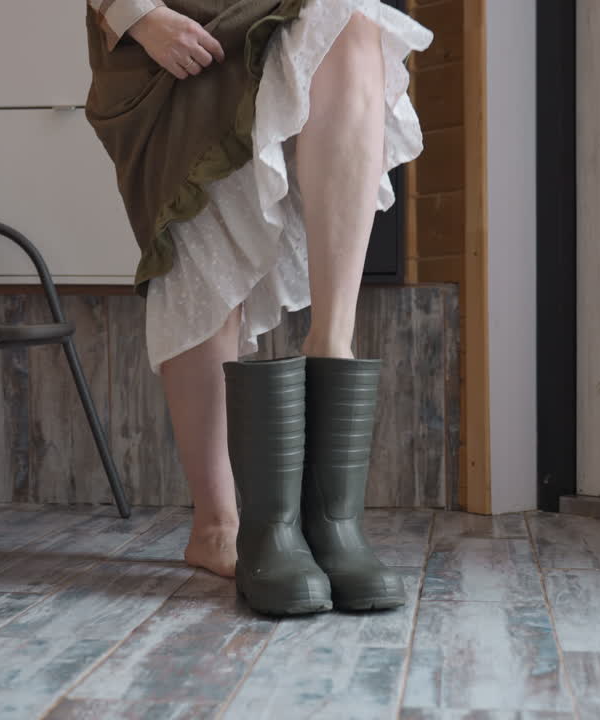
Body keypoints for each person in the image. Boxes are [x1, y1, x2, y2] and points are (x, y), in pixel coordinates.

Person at [84, 0, 431, 615]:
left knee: (353, 29)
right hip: (171, 32)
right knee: (204, 251)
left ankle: (331, 508)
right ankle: (221, 526)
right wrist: (137, 16)